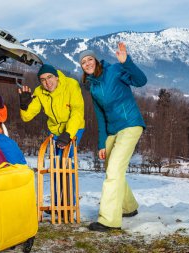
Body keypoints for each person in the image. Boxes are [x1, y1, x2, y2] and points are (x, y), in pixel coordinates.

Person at [79, 42, 147, 232]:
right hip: (112, 130)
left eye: (89, 59)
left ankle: (108, 220)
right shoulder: (93, 87)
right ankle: (129, 207)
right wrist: (102, 144)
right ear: (82, 67)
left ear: (95, 60)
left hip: (131, 125)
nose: (87, 63)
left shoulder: (115, 70)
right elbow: (100, 117)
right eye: (83, 62)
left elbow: (141, 81)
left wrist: (127, 62)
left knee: (114, 171)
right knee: (111, 168)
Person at [18, 64, 85, 205]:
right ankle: (56, 204)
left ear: (56, 76)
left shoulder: (71, 85)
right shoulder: (40, 91)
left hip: (73, 128)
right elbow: (27, 117)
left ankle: (69, 204)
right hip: (54, 130)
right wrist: (24, 105)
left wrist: (68, 133)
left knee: (67, 163)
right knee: (55, 165)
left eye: (49, 77)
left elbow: (77, 112)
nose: (47, 83)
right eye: (43, 80)